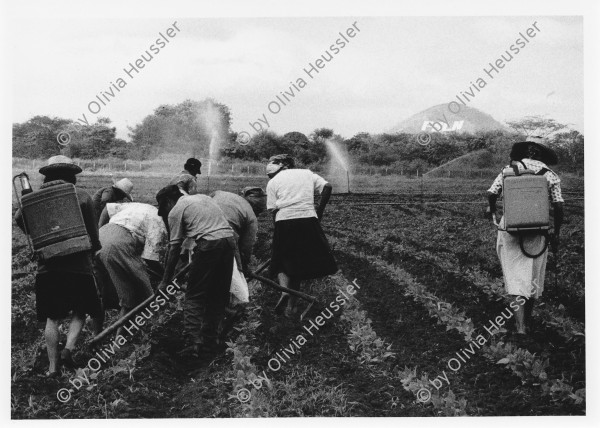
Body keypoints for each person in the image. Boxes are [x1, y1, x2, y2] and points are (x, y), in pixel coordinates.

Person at [14, 156, 103, 376]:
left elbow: (19, 217)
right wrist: (94, 249)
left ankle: (53, 368)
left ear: (47, 176)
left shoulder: (32, 198)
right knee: (81, 310)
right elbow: (92, 232)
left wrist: (36, 234)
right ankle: (69, 349)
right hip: (78, 265)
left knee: (52, 318)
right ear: (71, 175)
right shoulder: (81, 196)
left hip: (48, 267)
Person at [486, 136, 564, 337]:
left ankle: (520, 327)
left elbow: (492, 193)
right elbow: (559, 205)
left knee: (515, 275)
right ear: (541, 154)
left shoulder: (508, 170)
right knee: (533, 275)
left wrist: (492, 210)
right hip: (538, 230)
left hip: (510, 229)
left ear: (526, 151)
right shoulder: (550, 175)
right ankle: (527, 323)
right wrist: (556, 231)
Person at [156, 185, 236, 357]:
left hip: (209, 244)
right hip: (229, 243)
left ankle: (194, 343)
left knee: (194, 295)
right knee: (217, 295)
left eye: (163, 207)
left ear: (168, 201)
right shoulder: (203, 198)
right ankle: (210, 340)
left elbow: (174, 247)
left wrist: (165, 280)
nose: (164, 212)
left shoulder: (175, 210)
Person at [265, 154, 338, 318]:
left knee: (280, 261)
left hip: (284, 221)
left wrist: (278, 231)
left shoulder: (273, 182)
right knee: (297, 265)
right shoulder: (306, 173)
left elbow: (272, 210)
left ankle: (284, 292)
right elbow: (328, 187)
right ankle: (291, 308)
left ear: (281, 166)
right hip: (308, 220)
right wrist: (319, 212)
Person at [95, 202, 168, 337]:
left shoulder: (136, 206)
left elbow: (107, 208)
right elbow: (150, 259)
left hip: (99, 238)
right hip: (117, 244)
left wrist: (99, 228)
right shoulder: (158, 221)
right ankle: (118, 343)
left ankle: (96, 335)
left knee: (103, 292)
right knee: (133, 291)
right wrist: (165, 276)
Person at [210, 187, 266, 272]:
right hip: (224, 237)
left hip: (202, 228)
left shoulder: (221, 193)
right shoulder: (251, 216)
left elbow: (209, 197)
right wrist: (244, 266)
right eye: (259, 211)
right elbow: (246, 247)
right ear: (255, 207)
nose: (258, 215)